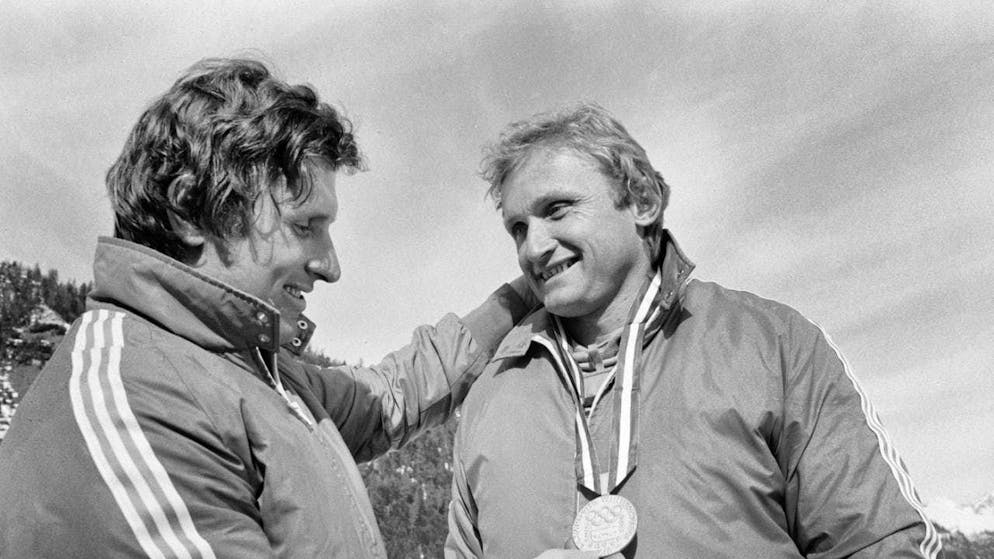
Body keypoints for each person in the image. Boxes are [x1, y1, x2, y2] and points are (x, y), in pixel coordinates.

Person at [0, 58, 534, 558]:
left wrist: (529, 290)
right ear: (193, 209)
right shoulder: (131, 402)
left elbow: (394, 394)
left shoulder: (252, 377)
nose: (331, 266)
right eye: (306, 227)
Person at [446, 103, 942, 558]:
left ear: (642, 201)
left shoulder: (772, 345)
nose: (533, 248)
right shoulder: (490, 395)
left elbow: (879, 544)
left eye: (557, 210)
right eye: (517, 228)